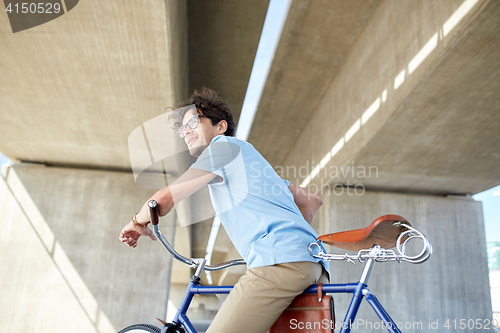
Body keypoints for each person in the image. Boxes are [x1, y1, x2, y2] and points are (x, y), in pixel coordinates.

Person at [119, 88, 330, 333]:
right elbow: (312, 200)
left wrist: (136, 222)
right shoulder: (255, 166)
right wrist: (293, 243)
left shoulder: (223, 148)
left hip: (280, 265)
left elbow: (164, 199)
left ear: (220, 126)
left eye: (193, 122)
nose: (185, 131)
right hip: (313, 265)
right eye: (182, 128)